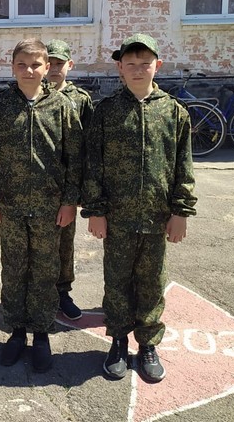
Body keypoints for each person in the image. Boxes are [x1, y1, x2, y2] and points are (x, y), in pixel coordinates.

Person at [81, 33, 197, 383]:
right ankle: (118, 340)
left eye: (144, 63)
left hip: (156, 216)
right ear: (120, 67)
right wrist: (96, 210)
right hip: (117, 217)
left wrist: (180, 212)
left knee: (151, 282)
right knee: (116, 281)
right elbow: (93, 165)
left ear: (157, 65)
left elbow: (183, 166)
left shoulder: (173, 112)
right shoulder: (106, 112)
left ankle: (147, 343)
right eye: (130, 63)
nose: (137, 69)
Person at [0, 38, 83, 373]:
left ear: (47, 68)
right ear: (12, 67)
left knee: (45, 272)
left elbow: (75, 158)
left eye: (36, 65)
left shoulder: (62, 106)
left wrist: (70, 202)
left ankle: (42, 334)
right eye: (22, 64)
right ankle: (17, 332)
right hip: (11, 207)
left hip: (50, 208)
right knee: (14, 270)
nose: (29, 71)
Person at [45, 39, 93, 325]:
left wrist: (80, 192)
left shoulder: (80, 99)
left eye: (60, 63)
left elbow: (87, 147)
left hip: (66, 186)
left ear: (70, 65)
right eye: (49, 63)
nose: (54, 68)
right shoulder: (33, 94)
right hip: (36, 185)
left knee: (64, 243)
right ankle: (36, 293)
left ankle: (62, 292)